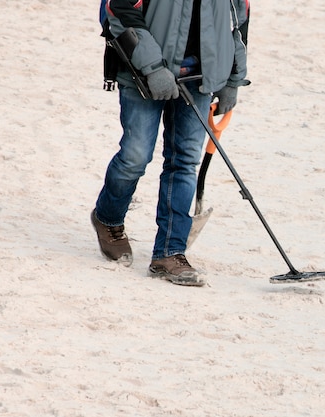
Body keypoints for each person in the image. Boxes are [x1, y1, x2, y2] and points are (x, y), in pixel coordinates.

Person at [91, 0, 250, 286]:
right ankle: (108, 220)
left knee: (185, 162)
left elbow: (238, 21)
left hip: (201, 79)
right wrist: (152, 67)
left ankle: (169, 253)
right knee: (135, 156)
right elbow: (120, 9)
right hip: (142, 72)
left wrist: (233, 78)